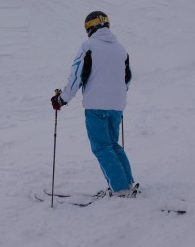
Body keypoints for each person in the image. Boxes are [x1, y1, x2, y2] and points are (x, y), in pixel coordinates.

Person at [51, 11, 136, 197]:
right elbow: (127, 79)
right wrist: (117, 95)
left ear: (90, 27)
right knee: (113, 144)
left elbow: (76, 76)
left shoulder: (88, 46)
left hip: (96, 106)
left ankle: (120, 189)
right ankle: (127, 182)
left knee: (101, 147)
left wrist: (62, 99)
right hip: (117, 106)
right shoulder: (121, 49)